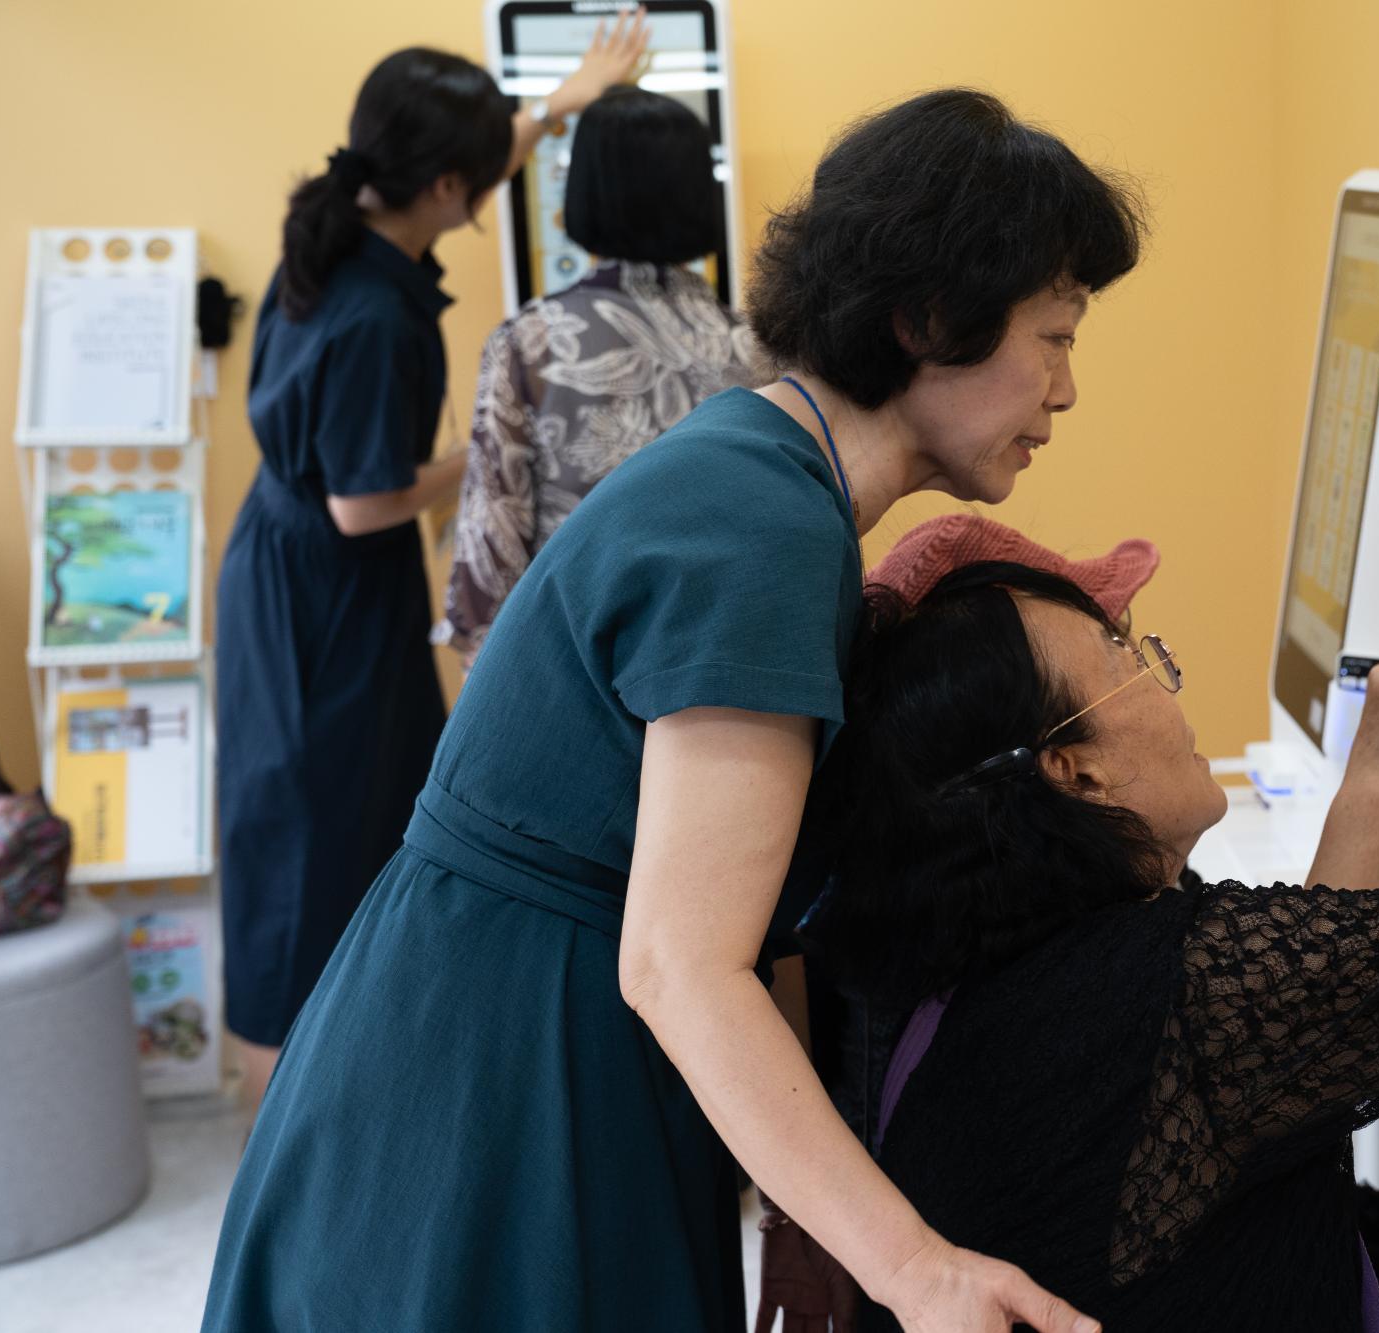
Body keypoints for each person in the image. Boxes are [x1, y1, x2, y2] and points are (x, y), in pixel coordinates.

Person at [202, 89, 1143, 1332]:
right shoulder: (760, 526)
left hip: (513, 1020)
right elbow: (681, 961)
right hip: (506, 1063)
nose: (1065, 390)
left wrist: (808, 1201)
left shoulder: (763, 472)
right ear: (925, 319)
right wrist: (914, 1266)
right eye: (1055, 336)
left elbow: (735, 910)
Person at [799, 400, 1379, 1331]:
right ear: (1075, 773)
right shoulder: (1146, 993)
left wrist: (1377, 778)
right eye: (1125, 656)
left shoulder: (1001, 952)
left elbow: (1295, 1006)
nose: (1163, 669)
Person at [214, 17, 650, 1111]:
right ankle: (288, 1124)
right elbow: (364, 503)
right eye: (486, 172)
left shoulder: (343, 229)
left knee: (323, 818)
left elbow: (474, 157)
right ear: (447, 186)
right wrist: (500, 440)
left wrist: (561, 102)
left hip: (287, 568)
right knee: (314, 838)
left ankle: (335, 1089)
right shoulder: (376, 317)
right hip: (327, 598)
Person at [441, 86, 766, 670]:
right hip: (725, 666)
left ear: (583, 190)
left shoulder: (531, 343)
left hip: (577, 668)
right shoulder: (756, 348)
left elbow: (489, 558)